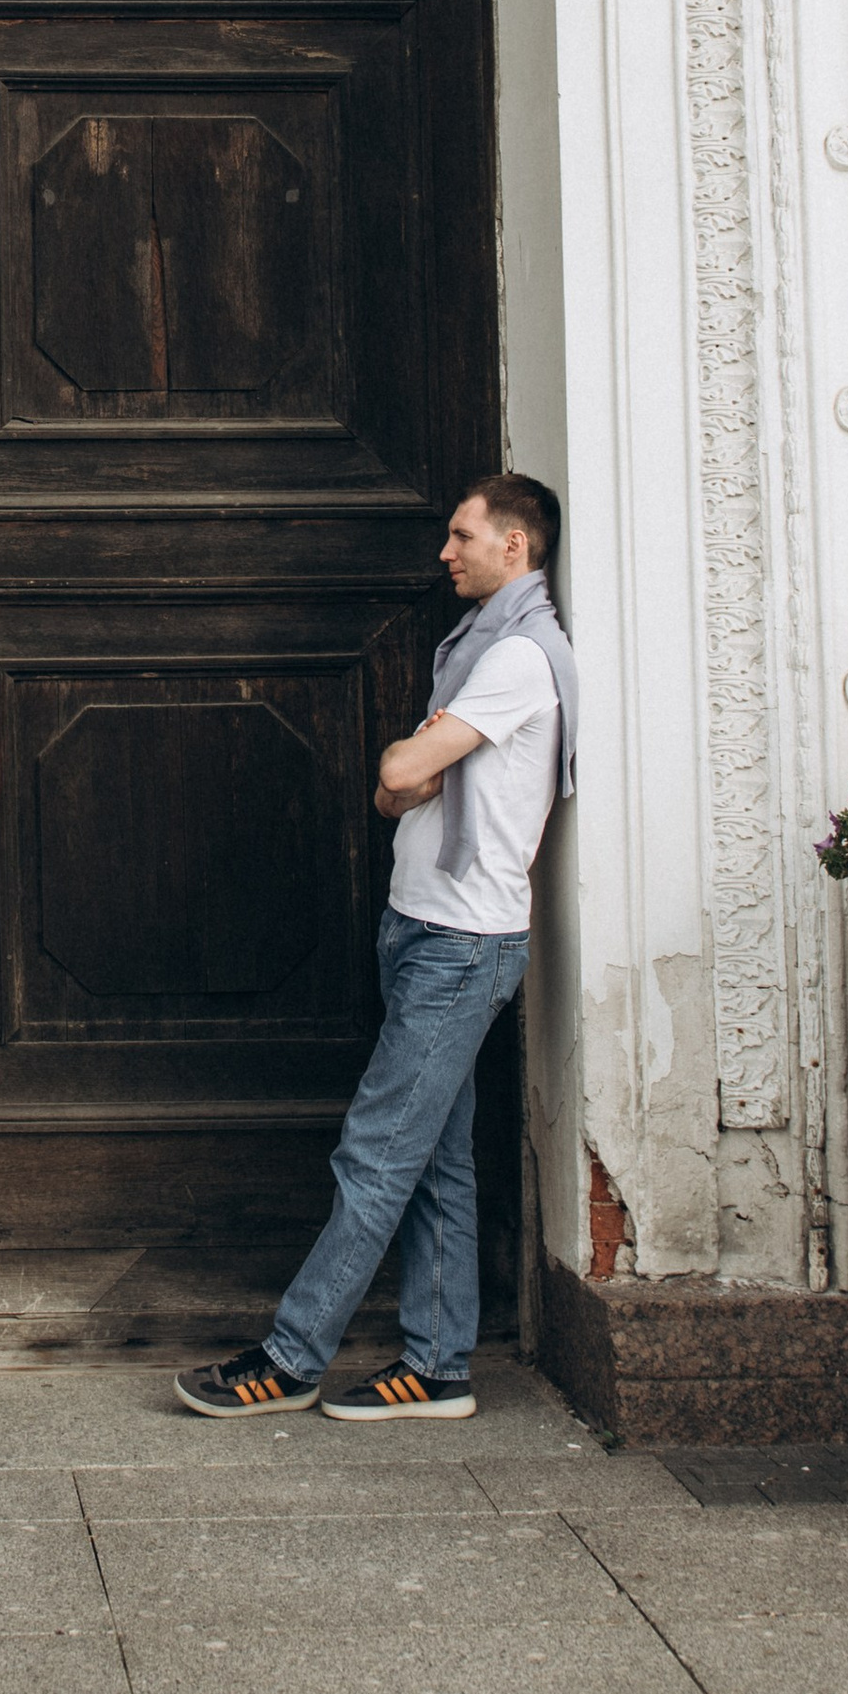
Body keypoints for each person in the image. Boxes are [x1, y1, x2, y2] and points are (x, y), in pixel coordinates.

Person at [176, 472, 577, 1423]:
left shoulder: (519, 657)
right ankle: (438, 1367)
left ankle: (291, 1355)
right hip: (423, 928)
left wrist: (414, 767)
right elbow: (394, 791)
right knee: (433, 1157)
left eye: (461, 535)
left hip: (460, 943)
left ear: (514, 546)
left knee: (375, 1154)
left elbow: (400, 768)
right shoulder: (480, 650)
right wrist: (413, 774)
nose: (447, 551)